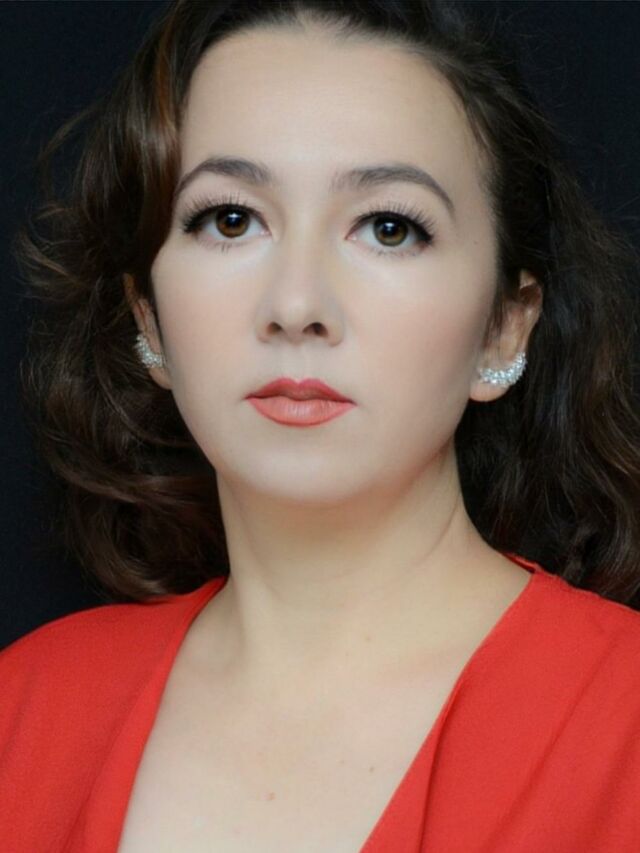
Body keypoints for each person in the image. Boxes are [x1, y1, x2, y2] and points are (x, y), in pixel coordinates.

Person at [2, 0, 640, 850]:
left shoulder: (623, 724)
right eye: (230, 219)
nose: (297, 303)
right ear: (147, 316)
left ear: (505, 326)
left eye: (388, 227)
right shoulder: (25, 711)